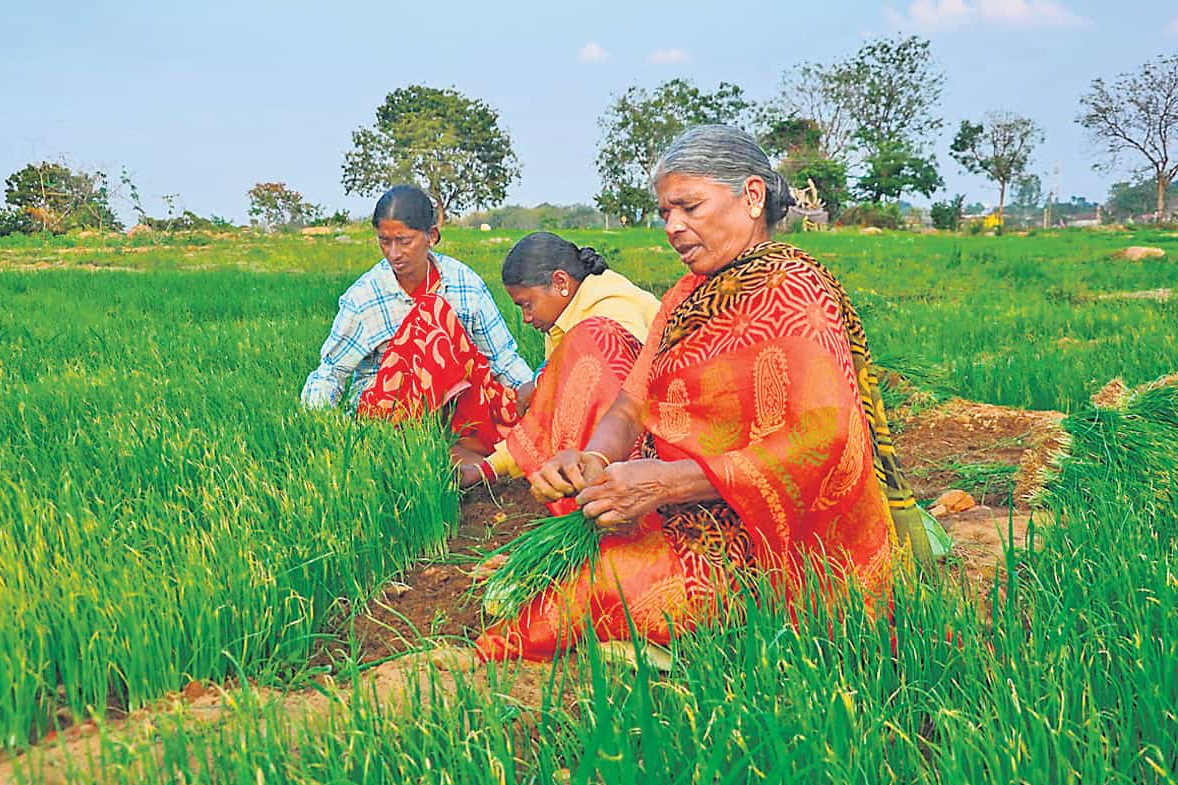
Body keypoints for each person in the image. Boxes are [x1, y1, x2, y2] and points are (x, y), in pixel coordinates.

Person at [476, 126, 932, 662]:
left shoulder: (795, 292)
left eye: (688, 207)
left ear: (753, 197)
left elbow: (820, 440)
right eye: (665, 212)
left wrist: (667, 484)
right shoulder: (686, 294)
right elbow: (631, 403)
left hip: (760, 537)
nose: (673, 227)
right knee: (574, 563)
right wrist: (594, 458)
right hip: (678, 501)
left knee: (594, 592)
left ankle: (479, 661)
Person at [301, 185, 533, 451]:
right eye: (384, 241)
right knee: (430, 314)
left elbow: (502, 358)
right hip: (391, 415)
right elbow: (331, 373)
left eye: (404, 241)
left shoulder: (465, 284)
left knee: (435, 314)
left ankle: (466, 444)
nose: (394, 253)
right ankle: (421, 444)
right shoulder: (364, 298)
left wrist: (534, 399)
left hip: (460, 405)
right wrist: (321, 428)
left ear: (432, 236)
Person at [458, 232, 659, 506]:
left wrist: (542, 382)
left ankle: (591, 494)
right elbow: (550, 413)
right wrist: (487, 469)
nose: (526, 318)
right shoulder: (564, 321)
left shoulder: (606, 321)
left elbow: (620, 398)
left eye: (527, 305)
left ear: (560, 282)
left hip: (646, 449)